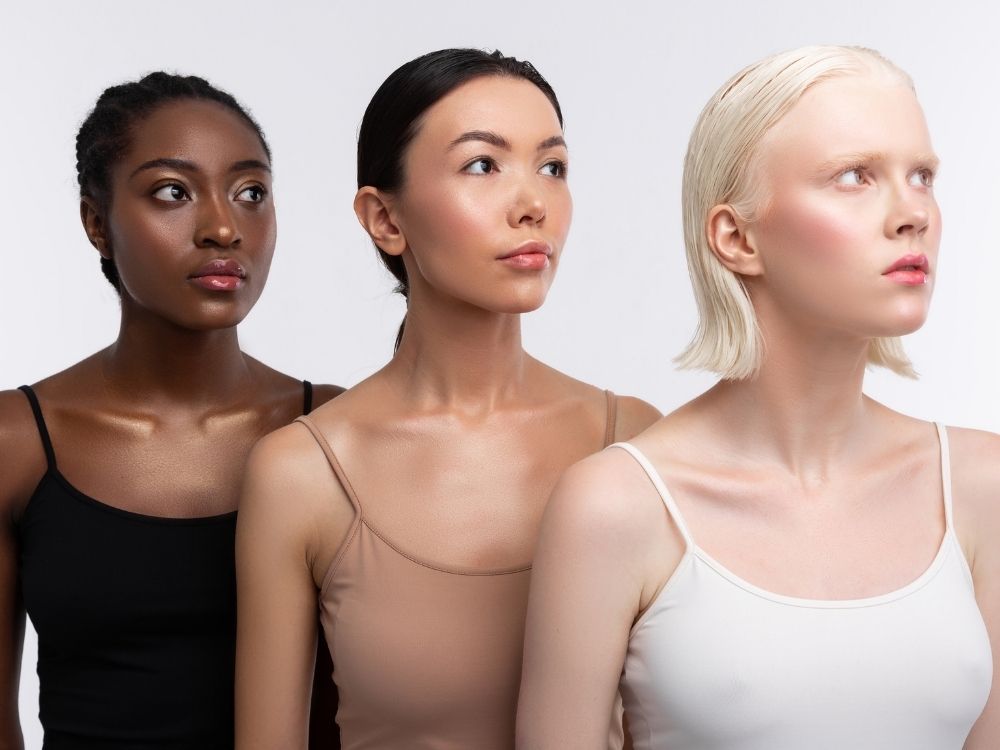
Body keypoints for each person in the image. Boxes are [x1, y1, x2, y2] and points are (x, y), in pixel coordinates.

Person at [517, 45, 999, 750]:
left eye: (921, 175)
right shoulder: (617, 505)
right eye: (855, 176)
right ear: (735, 237)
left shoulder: (982, 484)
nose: (913, 214)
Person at [234, 48, 661, 750]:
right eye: (482, 165)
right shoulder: (301, 474)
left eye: (552, 166)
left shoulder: (634, 442)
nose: (532, 204)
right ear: (384, 218)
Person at [0, 72, 342, 749]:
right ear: (97, 222)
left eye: (251, 193)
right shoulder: (18, 442)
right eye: (172, 193)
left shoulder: (334, 431)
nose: (222, 227)